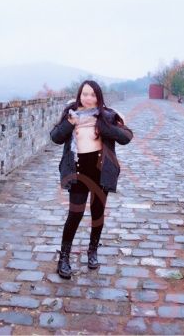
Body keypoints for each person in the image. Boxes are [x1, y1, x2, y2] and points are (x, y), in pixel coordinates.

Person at [49, 80, 134, 279]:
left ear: (98, 97)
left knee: (97, 214)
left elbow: (127, 137)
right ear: (79, 95)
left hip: (100, 171)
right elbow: (55, 137)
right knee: (75, 214)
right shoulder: (71, 114)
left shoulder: (108, 115)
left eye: (93, 95)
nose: (88, 98)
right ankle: (64, 257)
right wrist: (69, 124)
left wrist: (105, 127)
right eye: (85, 94)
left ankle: (92, 250)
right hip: (77, 171)